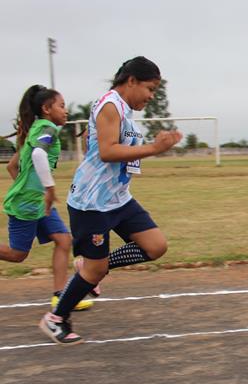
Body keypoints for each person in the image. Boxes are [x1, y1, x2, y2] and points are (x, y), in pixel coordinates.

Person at [39, 57, 182, 344]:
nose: (151, 96)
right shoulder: (110, 104)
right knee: (96, 269)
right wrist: (154, 148)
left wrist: (152, 147)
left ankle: (90, 267)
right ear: (131, 81)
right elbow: (107, 151)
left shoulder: (124, 111)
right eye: (150, 88)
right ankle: (55, 319)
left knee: (155, 246)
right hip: (92, 203)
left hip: (118, 200)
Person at [2, 86, 94, 323]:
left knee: (64, 240)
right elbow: (39, 156)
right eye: (61, 106)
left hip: (37, 203)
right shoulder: (47, 128)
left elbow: (12, 167)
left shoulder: (33, 130)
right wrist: (49, 189)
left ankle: (60, 296)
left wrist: (36, 191)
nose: (66, 111)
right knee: (18, 255)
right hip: (27, 206)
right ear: (46, 109)